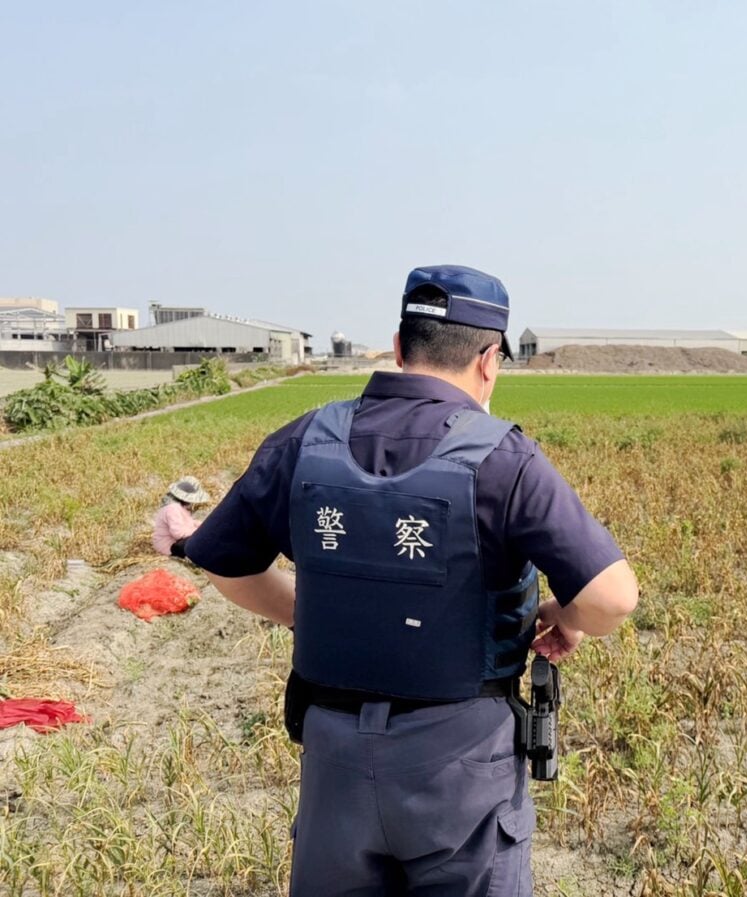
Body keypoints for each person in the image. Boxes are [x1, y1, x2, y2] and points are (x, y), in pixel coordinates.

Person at [185, 264, 638, 897]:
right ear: (489, 361)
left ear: (399, 349)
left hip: (334, 753)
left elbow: (225, 562)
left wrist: (309, 613)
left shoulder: (304, 440)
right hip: (460, 760)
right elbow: (612, 596)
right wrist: (563, 618)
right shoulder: (503, 459)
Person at [151, 476, 209, 558]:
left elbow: (187, 522)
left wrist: (202, 525)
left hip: (175, 541)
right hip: (169, 545)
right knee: (200, 541)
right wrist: (198, 531)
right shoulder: (173, 509)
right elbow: (178, 533)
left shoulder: (179, 507)